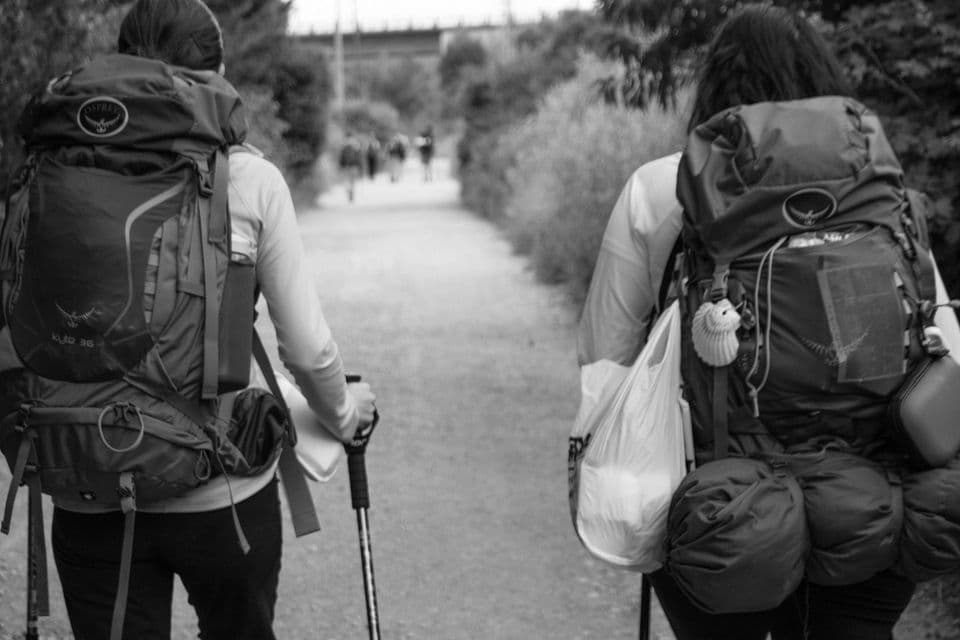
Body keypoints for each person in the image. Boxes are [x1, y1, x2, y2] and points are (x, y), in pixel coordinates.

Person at [577, 5, 960, 640]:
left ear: (716, 87)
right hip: (879, 503)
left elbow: (605, 357)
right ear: (822, 78)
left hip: (723, 513)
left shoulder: (660, 188)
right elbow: (941, 339)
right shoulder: (880, 193)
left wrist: (610, 486)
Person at [1, 1, 377, 638]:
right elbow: (308, 351)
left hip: (84, 482)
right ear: (219, 72)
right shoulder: (249, 179)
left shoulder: (39, 177)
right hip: (219, 492)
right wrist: (347, 415)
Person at [338, 131, 364, 202]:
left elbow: (341, 158)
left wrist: (341, 166)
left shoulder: (343, 146)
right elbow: (359, 158)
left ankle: (348, 190)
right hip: (354, 166)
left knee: (346, 180)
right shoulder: (356, 145)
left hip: (346, 166)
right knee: (352, 181)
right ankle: (351, 192)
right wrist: (360, 167)